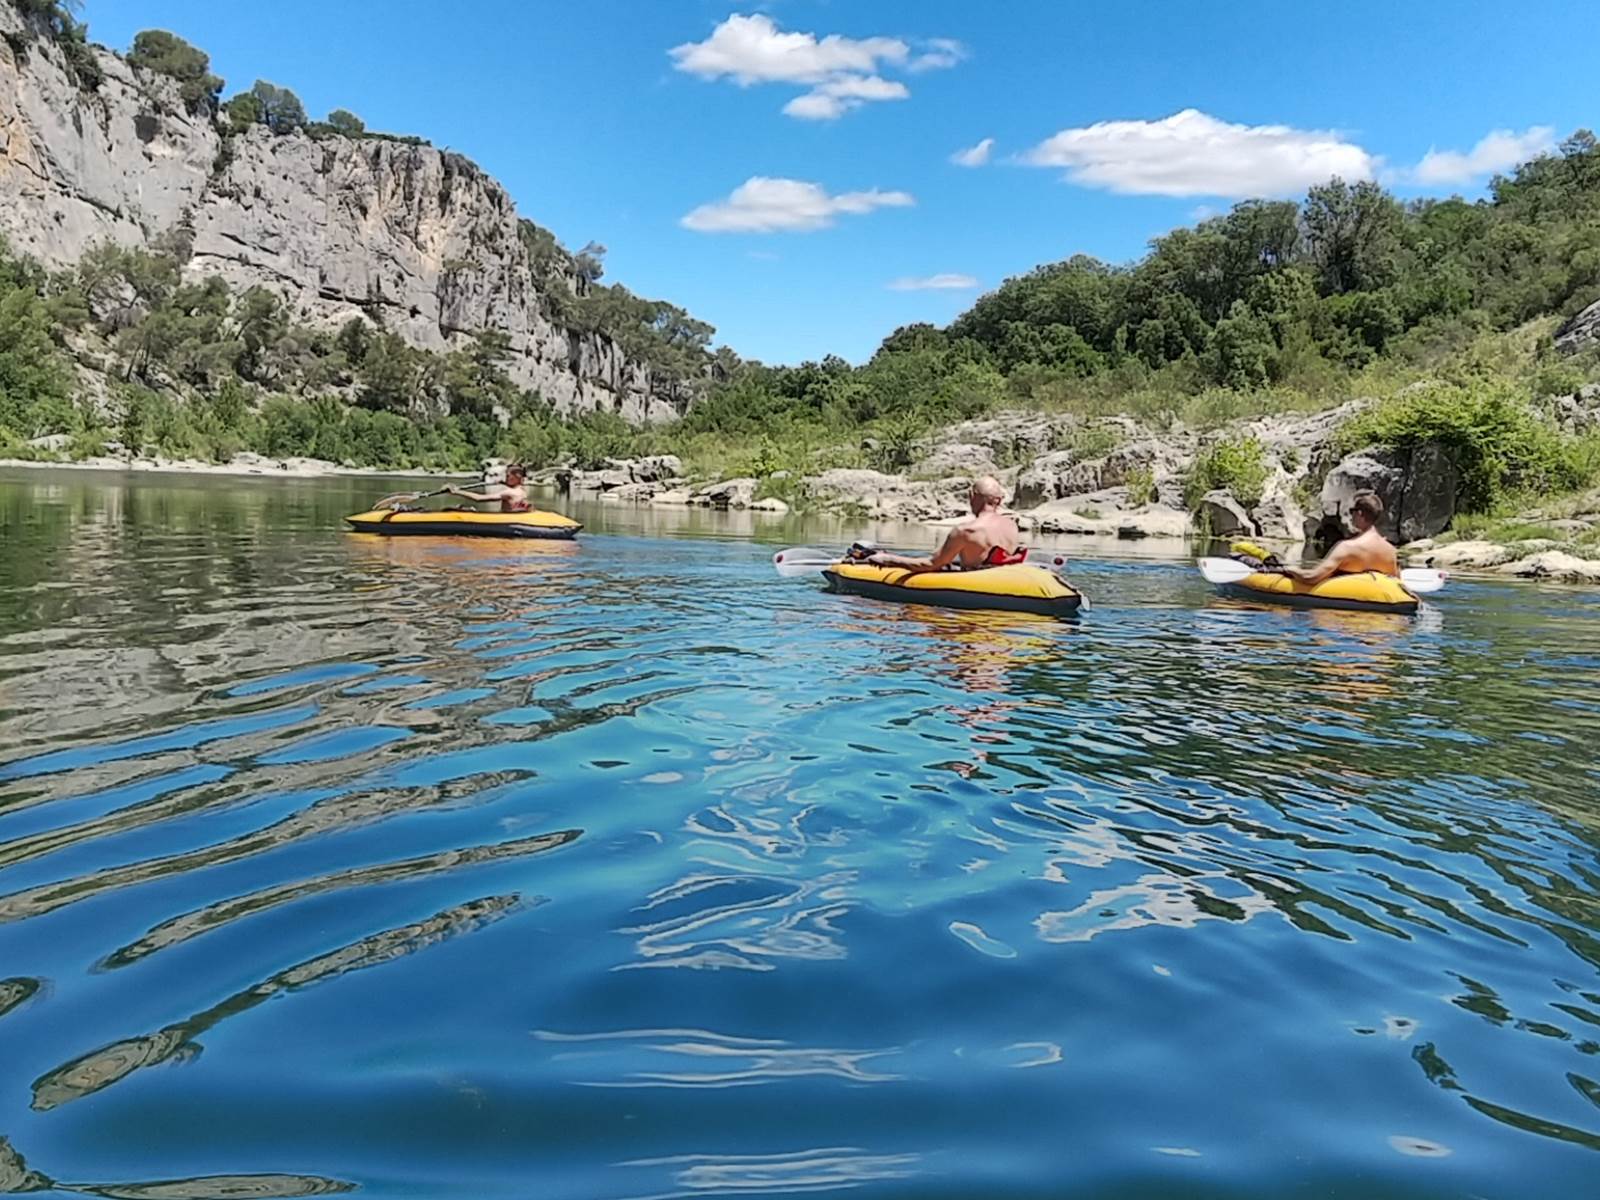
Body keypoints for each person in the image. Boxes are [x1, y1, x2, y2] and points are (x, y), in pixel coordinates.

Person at [865, 475, 1025, 572]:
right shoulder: (1011, 525)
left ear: (972, 496)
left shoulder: (966, 531)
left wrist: (888, 559)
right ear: (999, 499)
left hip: (977, 589)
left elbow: (930, 564)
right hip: (1000, 582)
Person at [1279, 490, 1397, 583]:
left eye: (1352, 511)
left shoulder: (1347, 547)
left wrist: (1289, 570)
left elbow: (1312, 577)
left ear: (1360, 514)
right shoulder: (1390, 551)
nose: (1351, 516)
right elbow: (1396, 581)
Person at [449, 464, 530, 513]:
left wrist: (457, 491)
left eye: (508, 476)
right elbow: (515, 485)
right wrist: (502, 482)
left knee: (454, 509)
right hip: (513, 517)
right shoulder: (523, 491)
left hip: (506, 520)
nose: (505, 478)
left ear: (516, 477)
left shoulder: (508, 493)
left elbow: (479, 498)